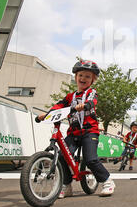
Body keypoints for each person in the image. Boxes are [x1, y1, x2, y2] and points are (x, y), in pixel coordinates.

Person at [37, 59, 116, 197]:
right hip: (73, 133)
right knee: (61, 157)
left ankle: (107, 181)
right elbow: (59, 106)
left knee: (90, 159)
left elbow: (92, 101)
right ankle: (66, 186)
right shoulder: (70, 96)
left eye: (87, 76)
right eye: (80, 75)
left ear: (92, 80)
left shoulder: (91, 92)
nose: (83, 78)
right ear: (76, 77)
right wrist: (47, 114)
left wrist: (85, 105)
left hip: (89, 131)